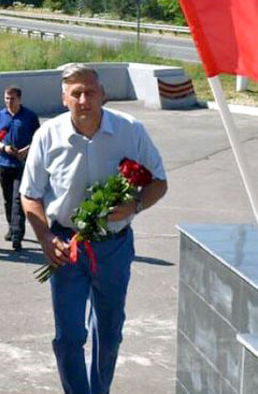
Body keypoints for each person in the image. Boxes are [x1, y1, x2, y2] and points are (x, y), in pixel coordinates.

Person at [20, 63, 168, 394]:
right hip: (66, 246)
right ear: (64, 98)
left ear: (102, 94)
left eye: (90, 92)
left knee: (110, 332)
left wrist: (135, 205)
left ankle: (99, 389)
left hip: (113, 246)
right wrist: (44, 238)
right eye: (76, 94)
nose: (84, 100)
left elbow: (159, 182)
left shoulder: (130, 130)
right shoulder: (47, 136)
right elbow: (30, 196)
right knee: (69, 336)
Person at [0, 85, 40, 251]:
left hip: (22, 165)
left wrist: (27, 150)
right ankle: (12, 229)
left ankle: (17, 236)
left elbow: (38, 139)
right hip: (4, 165)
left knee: (18, 200)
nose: (9, 102)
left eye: (12, 98)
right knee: (8, 199)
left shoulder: (30, 117)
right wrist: (4, 148)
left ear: (20, 99)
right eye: (6, 98)